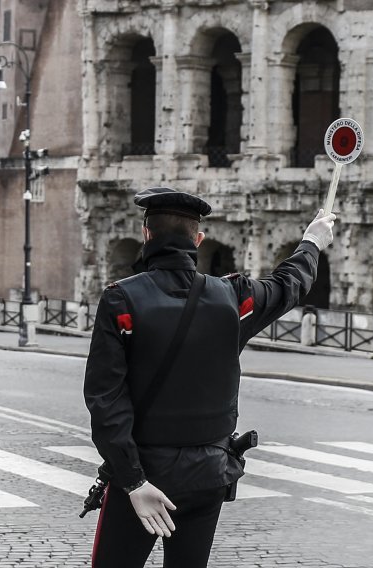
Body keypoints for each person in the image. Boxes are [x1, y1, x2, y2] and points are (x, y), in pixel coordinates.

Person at [84, 187, 336, 568]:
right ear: (197, 240)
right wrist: (312, 241)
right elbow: (288, 285)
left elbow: (105, 401)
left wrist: (134, 482)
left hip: (144, 476)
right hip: (208, 476)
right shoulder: (233, 298)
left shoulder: (122, 300)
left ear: (146, 234)